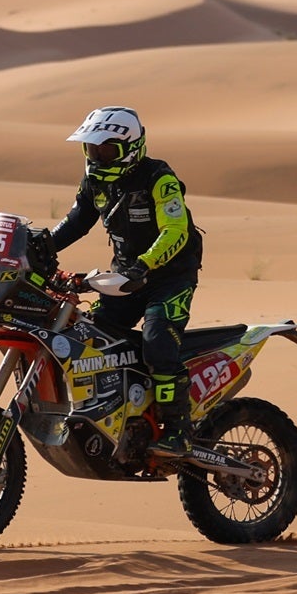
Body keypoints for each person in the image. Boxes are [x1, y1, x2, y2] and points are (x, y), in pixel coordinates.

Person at [48, 106, 205, 459]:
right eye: (92, 148)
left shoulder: (159, 178)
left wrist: (145, 265)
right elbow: (76, 221)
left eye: (107, 149)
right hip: (123, 277)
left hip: (169, 278)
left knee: (157, 342)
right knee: (90, 338)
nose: (97, 156)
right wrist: (39, 247)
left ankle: (178, 432)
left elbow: (176, 230)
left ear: (131, 148)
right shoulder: (95, 181)